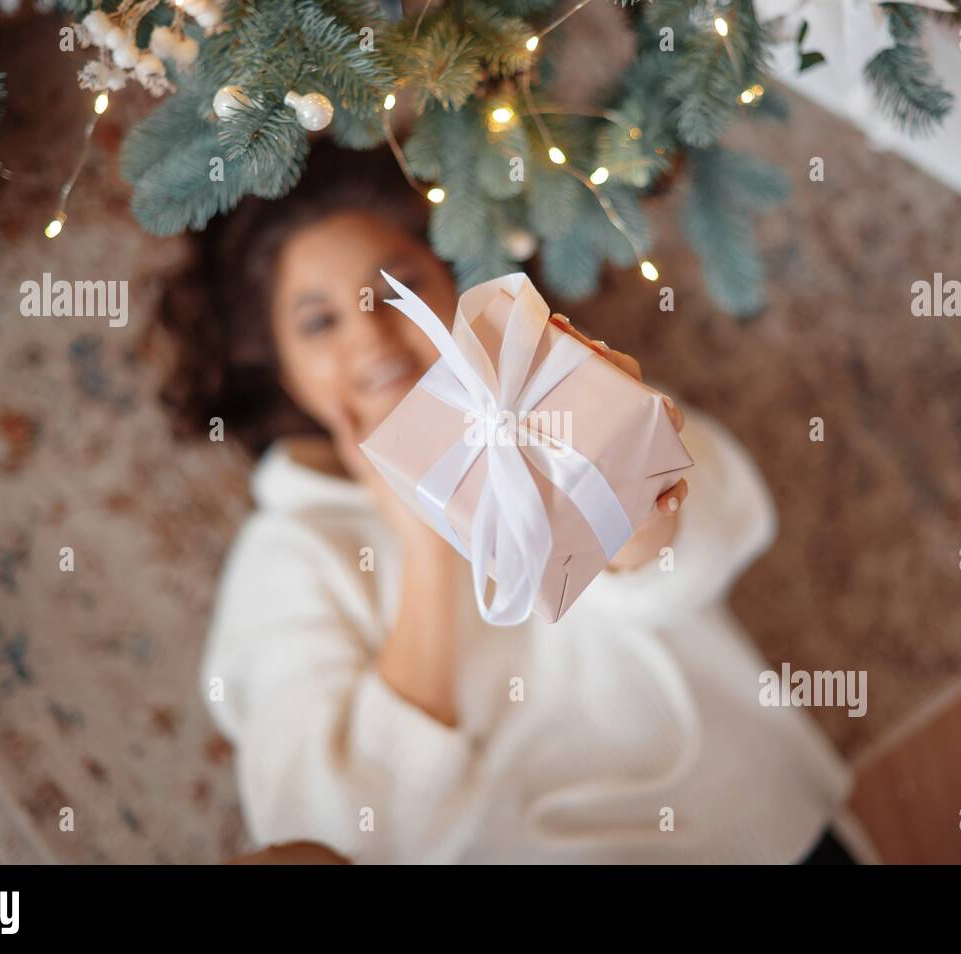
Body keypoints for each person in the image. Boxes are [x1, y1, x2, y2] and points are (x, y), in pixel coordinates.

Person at [158, 142, 854, 863]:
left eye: (399, 285)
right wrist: (428, 542)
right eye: (318, 322)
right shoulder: (290, 558)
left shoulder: (552, 389)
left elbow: (713, 532)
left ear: (452, 281)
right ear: (280, 367)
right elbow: (341, 832)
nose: (370, 332)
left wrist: (639, 526)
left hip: (755, 825)